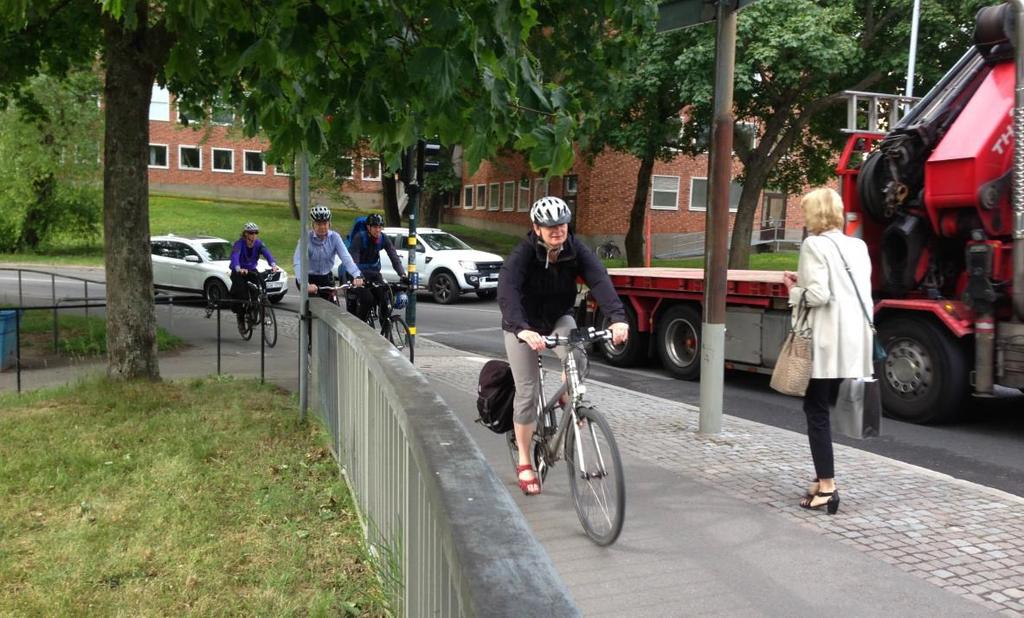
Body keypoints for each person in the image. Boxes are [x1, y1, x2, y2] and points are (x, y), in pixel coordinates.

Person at [497, 196, 629, 496]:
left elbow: (599, 279)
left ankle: (569, 397)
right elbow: (508, 292)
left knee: (578, 358)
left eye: (561, 224)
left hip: (558, 317)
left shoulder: (575, 250)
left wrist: (618, 319)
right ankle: (524, 460)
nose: (557, 230)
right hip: (523, 326)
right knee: (527, 391)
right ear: (536, 228)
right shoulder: (523, 255)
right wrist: (522, 329)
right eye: (549, 226)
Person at [782, 187, 873, 515]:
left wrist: (794, 290)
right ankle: (823, 480)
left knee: (816, 411)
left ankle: (828, 486)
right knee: (822, 408)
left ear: (814, 214)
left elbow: (818, 295)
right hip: (853, 342)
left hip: (825, 343)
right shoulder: (858, 245)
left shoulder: (813, 244)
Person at [293, 205, 363, 301]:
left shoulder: (335, 237)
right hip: (307, 278)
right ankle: (306, 314)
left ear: (329, 224)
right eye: (318, 223)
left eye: (325, 223)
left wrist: (357, 275)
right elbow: (298, 262)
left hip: (326, 278)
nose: (322, 227)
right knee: (313, 306)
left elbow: (346, 258)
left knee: (333, 308)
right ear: (313, 224)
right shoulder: (305, 239)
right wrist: (305, 284)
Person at [348, 213, 409, 323]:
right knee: (368, 299)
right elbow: (353, 261)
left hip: (374, 274)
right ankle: (359, 327)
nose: (378, 230)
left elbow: (394, 257)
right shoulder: (359, 238)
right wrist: (357, 276)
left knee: (385, 297)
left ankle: (385, 326)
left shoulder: (383, 238)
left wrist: (402, 274)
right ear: (368, 227)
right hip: (357, 276)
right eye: (375, 227)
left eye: (380, 227)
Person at [229, 222, 279, 331]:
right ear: (246, 234)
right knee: (242, 295)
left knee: (261, 286)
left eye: (256, 232)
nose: (254, 235)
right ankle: (241, 318)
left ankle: (259, 310)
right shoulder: (239, 244)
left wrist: (273, 265)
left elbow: (267, 253)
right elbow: (235, 257)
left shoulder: (258, 244)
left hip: (251, 270)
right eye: (251, 233)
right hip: (238, 271)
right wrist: (238, 268)